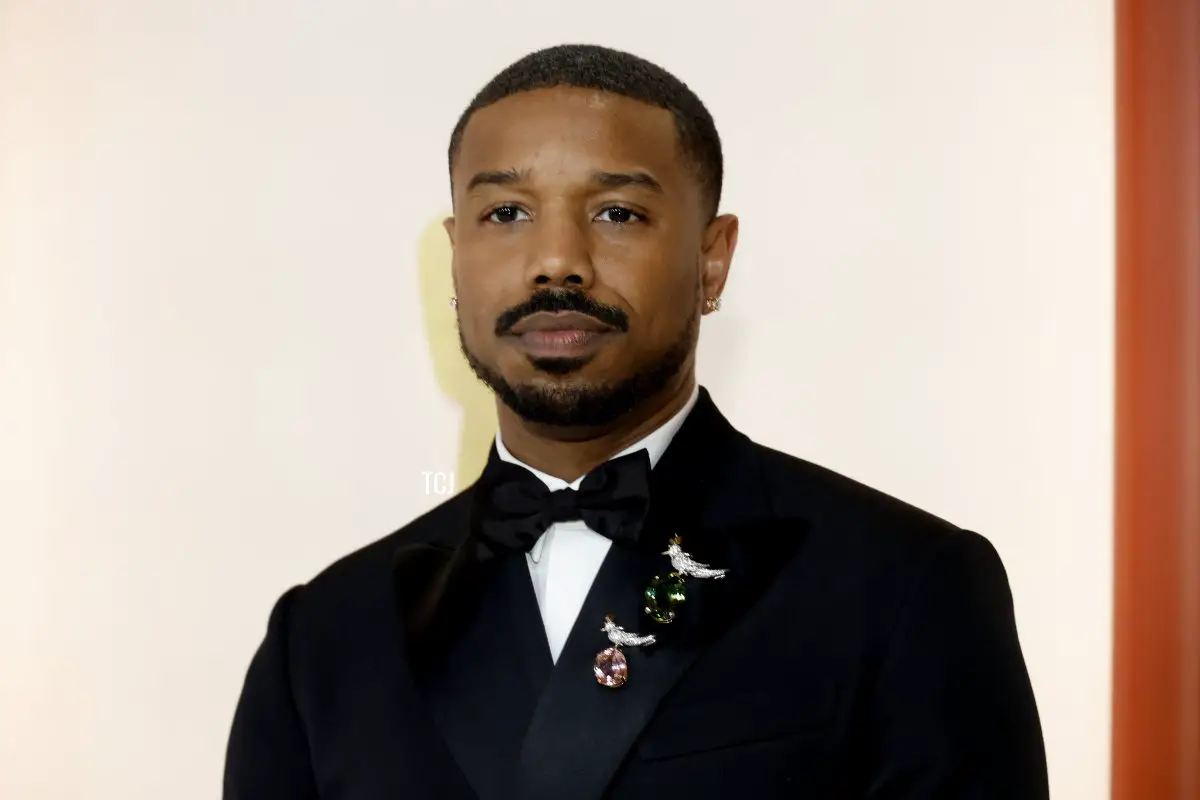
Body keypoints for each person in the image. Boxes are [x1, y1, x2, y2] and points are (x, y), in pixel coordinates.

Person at [223, 43, 1049, 799]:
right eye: (505, 213)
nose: (556, 261)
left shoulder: (903, 587)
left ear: (712, 259)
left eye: (617, 213)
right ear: (455, 257)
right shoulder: (326, 637)